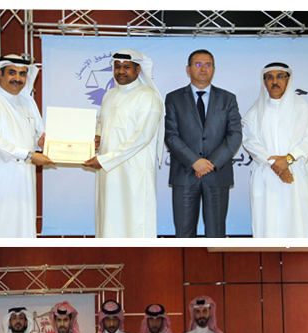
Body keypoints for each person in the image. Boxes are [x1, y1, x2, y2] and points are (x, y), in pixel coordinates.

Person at [0, 55, 53, 238]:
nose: (18, 79)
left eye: (22, 74)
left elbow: (31, 136)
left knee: (22, 229)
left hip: (23, 182)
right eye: (12, 73)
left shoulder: (27, 102)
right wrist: (29, 155)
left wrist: (39, 143)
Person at [83, 50, 163, 238]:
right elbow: (102, 123)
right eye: (117, 67)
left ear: (138, 69)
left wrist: (105, 160)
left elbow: (143, 136)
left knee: (134, 222)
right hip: (108, 172)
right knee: (109, 220)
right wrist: (98, 137)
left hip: (133, 173)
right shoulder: (109, 95)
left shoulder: (148, 96)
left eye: (126, 67)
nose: (120, 71)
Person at [164, 49, 242, 238]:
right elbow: (171, 135)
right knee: (184, 235)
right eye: (198, 64)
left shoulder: (228, 99)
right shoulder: (174, 98)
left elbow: (235, 135)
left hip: (217, 175)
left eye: (208, 65)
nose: (203, 69)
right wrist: (194, 161)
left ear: (214, 69)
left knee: (216, 234)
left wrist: (211, 163)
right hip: (185, 174)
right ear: (188, 69)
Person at [242, 62, 308, 238]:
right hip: (266, 174)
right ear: (264, 82)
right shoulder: (255, 112)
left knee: (297, 224)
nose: (275, 82)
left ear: (288, 79)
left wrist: (288, 159)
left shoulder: (303, 109)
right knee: (267, 224)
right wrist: (275, 164)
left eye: (280, 77)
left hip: (295, 174)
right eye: (270, 77)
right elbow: (249, 141)